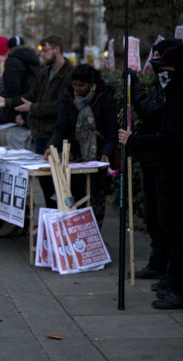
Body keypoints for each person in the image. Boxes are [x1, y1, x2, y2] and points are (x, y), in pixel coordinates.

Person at [119, 44, 183, 309]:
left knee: (177, 232)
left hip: (175, 171)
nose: (162, 73)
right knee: (168, 226)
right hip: (168, 170)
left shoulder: (179, 96)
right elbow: (157, 115)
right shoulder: (173, 93)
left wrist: (136, 141)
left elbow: (171, 138)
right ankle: (173, 278)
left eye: (166, 69)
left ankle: (178, 287)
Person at [0, 35, 73, 209]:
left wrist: (33, 108)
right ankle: (50, 219)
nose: (42, 54)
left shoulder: (69, 74)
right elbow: (31, 96)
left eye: (46, 50)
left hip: (57, 134)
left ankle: (60, 217)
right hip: (40, 133)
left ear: (57, 50)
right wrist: (8, 102)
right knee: (44, 182)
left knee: (58, 182)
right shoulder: (44, 72)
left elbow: (61, 105)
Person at [46, 64, 117, 227]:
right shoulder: (67, 97)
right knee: (74, 199)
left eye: (81, 85)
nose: (77, 89)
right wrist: (50, 147)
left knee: (96, 200)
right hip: (73, 155)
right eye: (75, 84)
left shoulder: (104, 97)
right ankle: (76, 237)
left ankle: (94, 237)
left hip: (97, 155)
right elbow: (60, 127)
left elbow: (111, 132)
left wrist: (106, 152)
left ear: (91, 83)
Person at [0, 36, 40, 149]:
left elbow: (12, 89)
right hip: (33, 112)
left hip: (19, 116)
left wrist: (17, 113)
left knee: (17, 155)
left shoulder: (12, 61)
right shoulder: (35, 59)